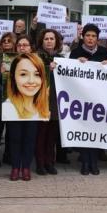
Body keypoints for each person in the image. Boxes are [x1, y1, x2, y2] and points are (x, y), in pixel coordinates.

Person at [69, 24, 107, 175]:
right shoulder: (75, 53)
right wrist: (75, 63)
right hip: (81, 100)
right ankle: (85, 162)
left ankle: (94, 162)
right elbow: (68, 73)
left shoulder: (104, 52)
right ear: (83, 37)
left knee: (96, 131)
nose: (90, 39)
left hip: (99, 99)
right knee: (84, 131)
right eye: (88, 35)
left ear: (97, 38)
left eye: (93, 36)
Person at [3, 52, 49, 181]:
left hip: (36, 115)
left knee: (30, 140)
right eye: (23, 74)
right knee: (15, 139)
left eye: (37, 74)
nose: (31, 81)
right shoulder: (8, 107)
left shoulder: (42, 109)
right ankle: (15, 167)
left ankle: (26, 168)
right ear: (13, 77)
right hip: (12, 115)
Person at [35, 29, 62, 176]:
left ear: (56, 41)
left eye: (52, 38)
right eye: (46, 39)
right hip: (41, 100)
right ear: (42, 41)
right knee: (41, 134)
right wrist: (47, 68)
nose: (49, 41)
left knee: (52, 135)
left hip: (56, 100)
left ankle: (50, 162)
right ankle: (40, 163)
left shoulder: (61, 59)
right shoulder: (36, 57)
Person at [0, 32, 17, 168]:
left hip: (14, 97)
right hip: (0, 97)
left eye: (9, 41)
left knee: (11, 129)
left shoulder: (18, 57)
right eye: (4, 41)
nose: (6, 43)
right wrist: (0, 73)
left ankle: (8, 154)